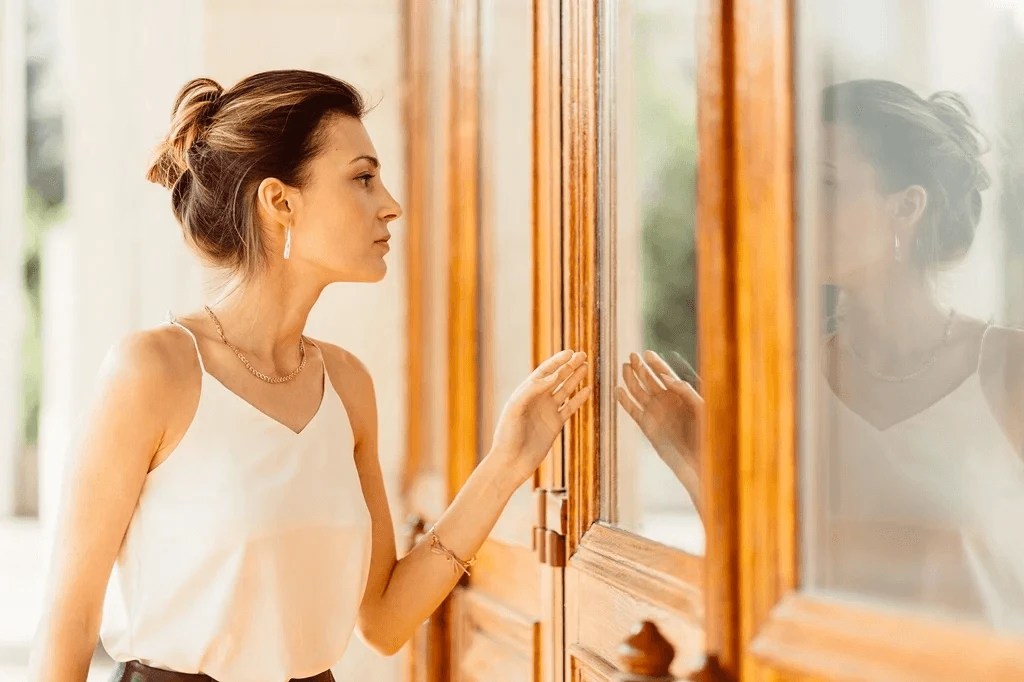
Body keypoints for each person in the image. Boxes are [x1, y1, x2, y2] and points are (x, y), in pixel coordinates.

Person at [27, 70, 592, 682]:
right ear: (280, 201)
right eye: (363, 178)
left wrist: (507, 461)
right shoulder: (154, 371)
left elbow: (384, 620)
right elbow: (70, 619)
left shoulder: (349, 386)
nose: (390, 204)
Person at [618, 79, 1024, 630]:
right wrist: (696, 458)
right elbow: (757, 585)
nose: (795, 206)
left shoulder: (1008, 370)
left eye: (826, 184)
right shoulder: (781, 382)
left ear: (906, 206)